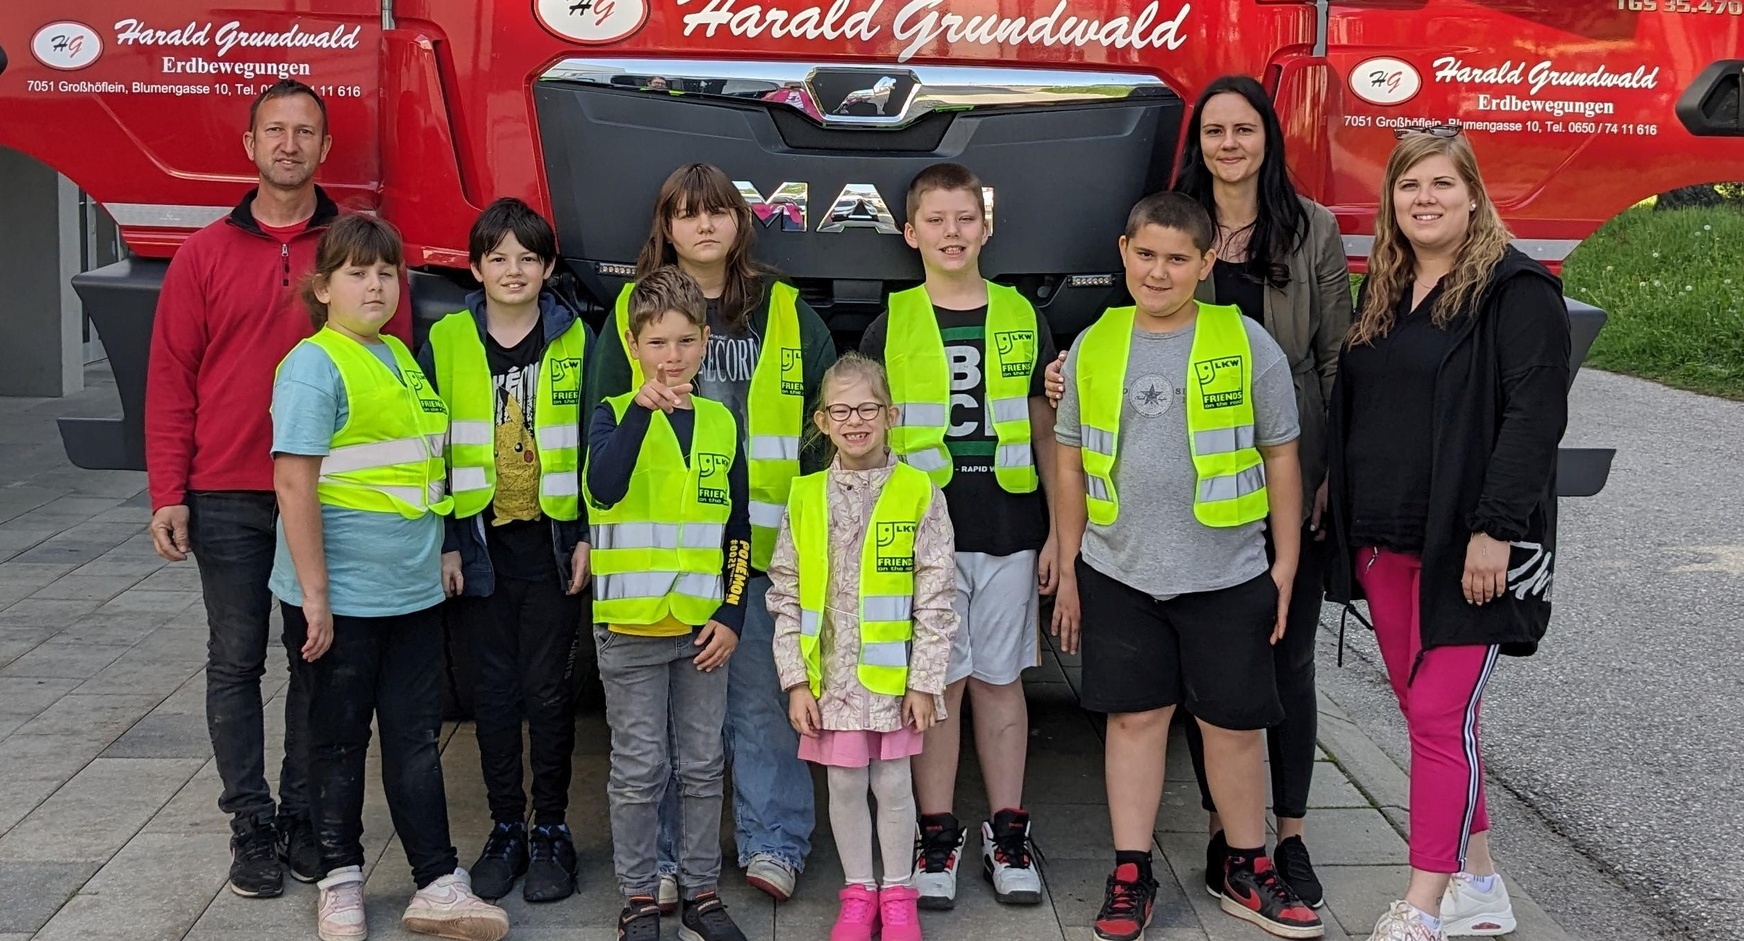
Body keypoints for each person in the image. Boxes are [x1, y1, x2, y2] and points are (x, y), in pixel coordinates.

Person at [1043, 74, 1352, 906]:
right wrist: (1070, 559)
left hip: (1239, 543)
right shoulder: (1121, 305)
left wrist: (1305, 523)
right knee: (1143, 715)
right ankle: (1158, 861)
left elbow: (1323, 380)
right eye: (1213, 129)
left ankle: (1268, 849)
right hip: (1131, 558)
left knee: (1257, 698)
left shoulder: (1297, 250)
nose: (1228, 143)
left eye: (1243, 128)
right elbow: (1076, 446)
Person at [144, 78, 412, 897]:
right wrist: (169, 488)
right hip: (225, 491)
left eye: (305, 132)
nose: (289, 144)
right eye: (275, 131)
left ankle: (302, 817)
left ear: (325, 149)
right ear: (251, 146)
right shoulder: (204, 254)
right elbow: (170, 376)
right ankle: (250, 824)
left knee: (313, 659)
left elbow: (393, 372)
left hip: (324, 495)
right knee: (234, 660)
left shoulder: (355, 251)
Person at [1325, 129, 1568, 941]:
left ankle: (1422, 906)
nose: (1422, 199)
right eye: (1407, 186)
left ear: (1473, 194)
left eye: (1439, 183)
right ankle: (1482, 883)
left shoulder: (1516, 290)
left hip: (1468, 547)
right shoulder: (1388, 286)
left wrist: (1495, 531)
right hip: (1384, 539)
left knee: (1436, 715)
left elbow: (1535, 419)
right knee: (1436, 720)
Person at [583, 162, 837, 906]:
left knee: (763, 702)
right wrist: (579, 530)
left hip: (765, 549)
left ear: (739, 222)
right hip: (663, 564)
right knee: (661, 732)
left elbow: (830, 418)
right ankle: (663, 861)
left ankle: (774, 841)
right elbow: (594, 427)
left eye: (717, 212)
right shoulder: (635, 310)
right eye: (686, 214)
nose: (703, 226)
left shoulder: (787, 312)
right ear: (665, 226)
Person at [270, 215, 508, 941]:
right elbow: (293, 482)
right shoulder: (316, 363)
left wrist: (440, 547)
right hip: (341, 597)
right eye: (356, 273)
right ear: (323, 288)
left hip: (409, 590)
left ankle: (437, 881)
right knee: (337, 740)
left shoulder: (400, 356)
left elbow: (421, 469)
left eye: (385, 272)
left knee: (413, 741)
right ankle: (340, 880)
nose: (375, 284)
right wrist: (316, 595)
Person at [859, 162, 1059, 911]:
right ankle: (934, 836)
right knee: (935, 689)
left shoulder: (1022, 315)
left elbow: (1045, 426)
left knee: (999, 684)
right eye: (935, 220)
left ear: (988, 226)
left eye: (965, 218)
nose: (952, 232)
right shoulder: (892, 322)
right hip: (922, 543)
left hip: (1009, 531)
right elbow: (868, 442)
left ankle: (1008, 834)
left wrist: (1059, 538)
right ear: (910, 233)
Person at [418, 197, 595, 903]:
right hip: (478, 547)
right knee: (491, 694)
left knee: (549, 691)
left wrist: (585, 533)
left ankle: (551, 827)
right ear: (476, 267)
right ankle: (505, 828)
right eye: (499, 258)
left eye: (528, 258)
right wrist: (447, 543)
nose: (514, 270)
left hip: (551, 547)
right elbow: (431, 449)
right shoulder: (450, 340)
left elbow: (592, 441)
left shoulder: (576, 339)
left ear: (548, 266)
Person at [585, 267, 753, 941]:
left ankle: (701, 891)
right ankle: (637, 896)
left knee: (702, 765)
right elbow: (603, 486)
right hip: (628, 628)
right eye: (657, 342)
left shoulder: (719, 422)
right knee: (638, 767)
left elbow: (736, 529)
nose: (672, 355)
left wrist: (734, 612)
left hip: (701, 630)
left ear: (706, 341)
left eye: (686, 340)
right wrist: (639, 412)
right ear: (633, 345)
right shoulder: (610, 414)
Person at [767, 353, 960, 941]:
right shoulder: (804, 497)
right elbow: (786, 592)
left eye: (868, 408)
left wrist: (926, 681)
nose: (856, 420)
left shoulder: (920, 493)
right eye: (841, 410)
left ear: (891, 414)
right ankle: (859, 893)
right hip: (830, 684)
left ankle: (898, 890)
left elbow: (937, 594)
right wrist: (795, 680)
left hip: (894, 681)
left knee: (894, 784)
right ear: (822, 421)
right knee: (846, 786)